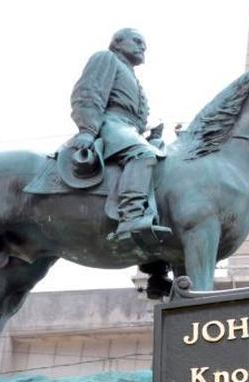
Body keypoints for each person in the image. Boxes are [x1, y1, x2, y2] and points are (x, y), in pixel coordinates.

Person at [69, 28, 165, 241]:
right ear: (118, 42)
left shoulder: (133, 76)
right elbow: (87, 93)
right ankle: (130, 219)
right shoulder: (106, 58)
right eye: (138, 41)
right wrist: (87, 129)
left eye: (145, 45)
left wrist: (148, 132)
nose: (143, 47)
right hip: (110, 123)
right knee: (143, 154)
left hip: (129, 130)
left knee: (160, 151)